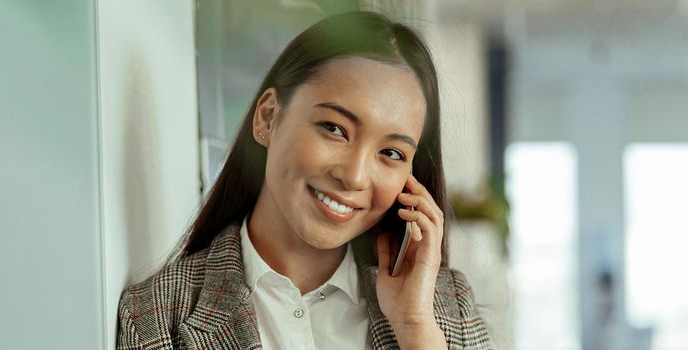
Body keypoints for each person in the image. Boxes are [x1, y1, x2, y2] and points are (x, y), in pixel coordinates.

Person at [116, 11, 492, 350]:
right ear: (267, 118)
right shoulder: (155, 318)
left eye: (391, 153)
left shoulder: (445, 310)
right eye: (334, 128)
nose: (355, 176)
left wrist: (415, 330)